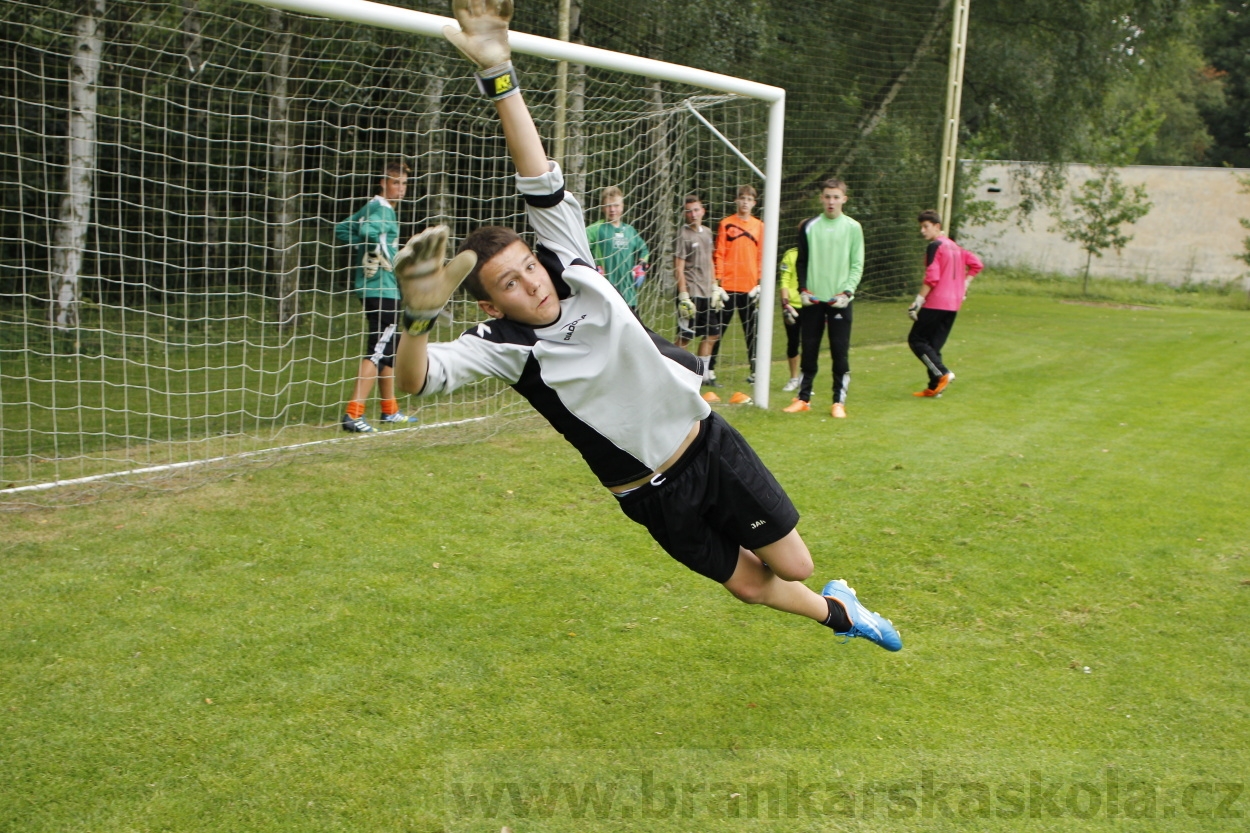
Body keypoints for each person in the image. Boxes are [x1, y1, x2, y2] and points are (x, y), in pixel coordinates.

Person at [391, 0, 901, 653]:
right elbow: (415, 379)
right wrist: (415, 319)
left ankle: (832, 593)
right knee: (747, 585)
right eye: (510, 284)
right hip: (647, 494)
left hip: (707, 447)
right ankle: (843, 616)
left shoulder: (570, 259)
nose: (532, 283)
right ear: (491, 306)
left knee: (792, 565)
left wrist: (498, 70)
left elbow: (536, 171)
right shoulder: (502, 347)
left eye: (528, 267)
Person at [334, 160, 417, 433]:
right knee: (379, 348)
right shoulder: (382, 208)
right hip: (381, 288)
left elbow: (343, 229)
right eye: (395, 182)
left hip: (378, 288)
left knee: (388, 349)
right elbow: (373, 234)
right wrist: (390, 260)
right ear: (383, 182)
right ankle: (353, 414)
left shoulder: (373, 207)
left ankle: (389, 410)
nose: (401, 188)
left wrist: (369, 250)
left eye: (404, 183)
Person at [784, 178, 864, 418]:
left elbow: (857, 264)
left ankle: (838, 401)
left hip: (840, 301)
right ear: (821, 198)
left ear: (844, 199)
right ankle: (803, 397)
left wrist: (848, 292)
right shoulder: (809, 226)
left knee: (839, 351)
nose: (831, 201)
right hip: (813, 301)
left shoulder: (853, 227)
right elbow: (802, 261)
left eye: (836, 197)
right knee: (809, 349)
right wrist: (804, 290)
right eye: (827, 196)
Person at [907, 210, 983, 397]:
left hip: (936, 302)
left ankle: (942, 373)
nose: (923, 231)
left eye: (926, 227)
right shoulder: (956, 247)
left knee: (916, 340)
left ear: (937, 227)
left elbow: (932, 277)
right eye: (921, 227)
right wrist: (964, 284)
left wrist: (918, 301)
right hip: (953, 305)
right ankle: (935, 388)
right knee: (932, 345)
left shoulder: (936, 246)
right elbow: (976, 264)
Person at [708, 185, 765, 386]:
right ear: (736, 200)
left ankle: (756, 372)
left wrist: (760, 283)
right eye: (742, 198)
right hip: (728, 287)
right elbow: (719, 253)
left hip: (749, 288)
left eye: (749, 199)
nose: (745, 202)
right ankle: (709, 369)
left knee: (752, 331)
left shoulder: (760, 226)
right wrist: (718, 282)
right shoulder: (726, 224)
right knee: (717, 330)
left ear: (754, 203)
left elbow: (761, 256)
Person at [673, 194, 726, 403]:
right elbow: (678, 266)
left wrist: (715, 286)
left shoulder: (707, 233)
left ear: (702, 210)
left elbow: (711, 262)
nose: (693, 214)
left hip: (707, 293)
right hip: (691, 294)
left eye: (696, 210)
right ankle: (675, 372)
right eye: (689, 211)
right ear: (685, 214)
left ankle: (702, 374)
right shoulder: (683, 235)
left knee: (713, 334)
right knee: (685, 336)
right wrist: (684, 295)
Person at [585, 186, 650, 314]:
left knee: (633, 333)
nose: (612, 209)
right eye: (608, 206)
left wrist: (641, 267)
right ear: (603, 208)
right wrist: (592, 267)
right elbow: (578, 246)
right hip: (605, 295)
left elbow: (644, 250)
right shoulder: (595, 229)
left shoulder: (630, 231)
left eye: (616, 205)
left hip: (629, 296)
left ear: (622, 206)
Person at [776, 236, 802, 392]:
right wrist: (785, 304)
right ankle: (794, 378)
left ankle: (805, 380)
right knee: (793, 342)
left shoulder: (818, 255)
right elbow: (784, 280)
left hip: (812, 305)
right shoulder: (790, 254)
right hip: (793, 306)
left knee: (810, 344)